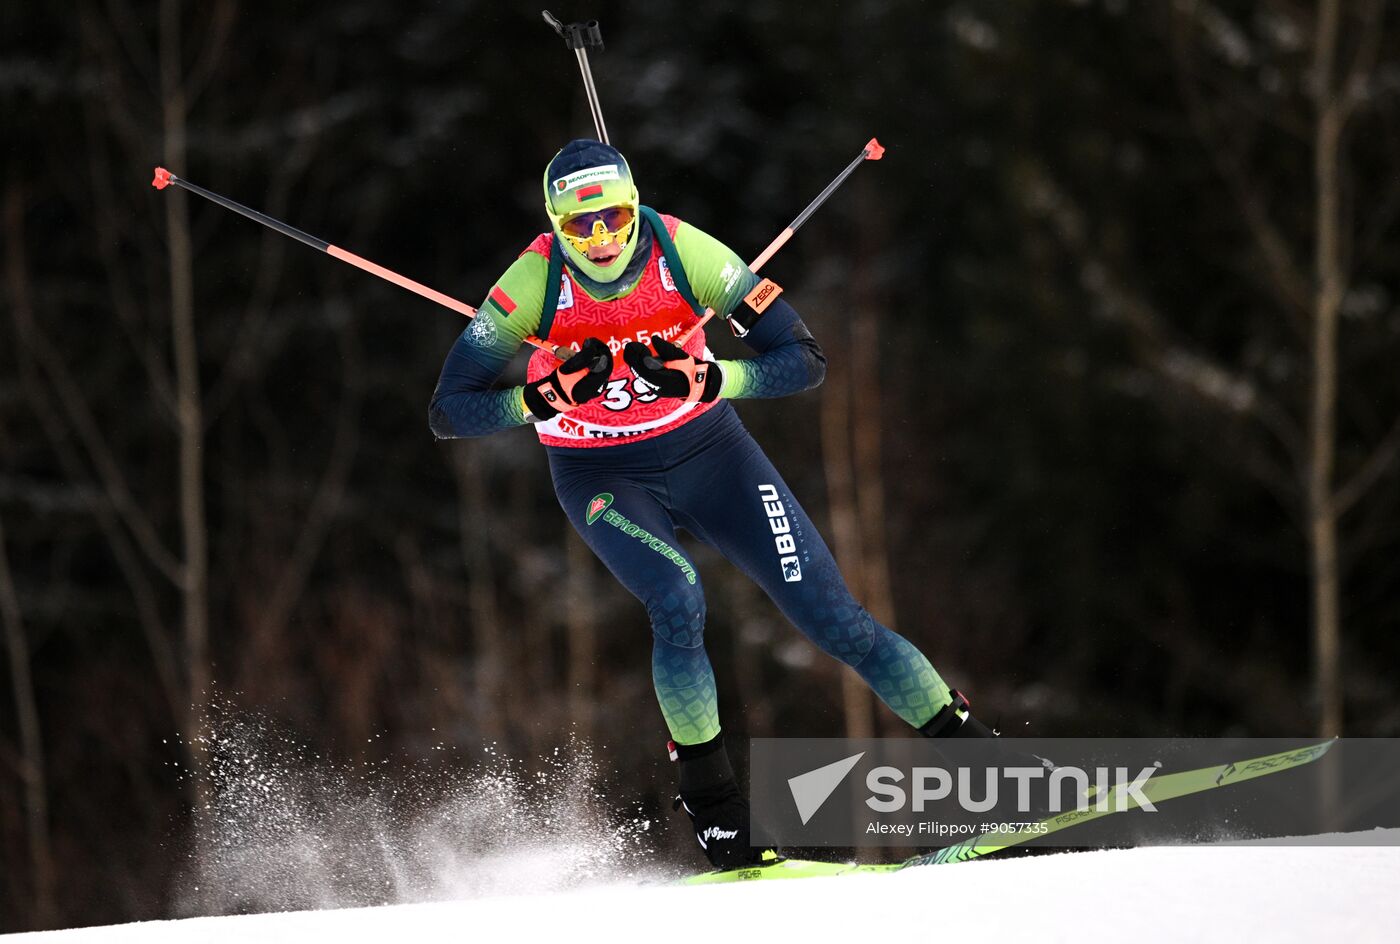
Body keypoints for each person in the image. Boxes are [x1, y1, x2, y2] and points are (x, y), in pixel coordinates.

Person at [429, 139, 992, 870]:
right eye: (579, 228)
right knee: (677, 596)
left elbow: (803, 361)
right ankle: (720, 815)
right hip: (602, 472)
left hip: (714, 456)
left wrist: (711, 379)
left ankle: (986, 768)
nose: (601, 240)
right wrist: (539, 398)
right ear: (554, 227)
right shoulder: (531, 283)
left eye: (614, 217)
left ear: (635, 207)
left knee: (836, 621)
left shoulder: (688, 253)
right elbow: (450, 410)